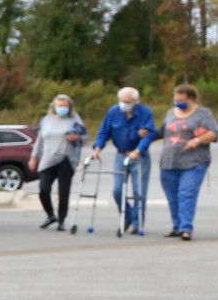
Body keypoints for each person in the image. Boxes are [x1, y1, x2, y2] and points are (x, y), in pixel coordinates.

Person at [88, 87, 157, 233]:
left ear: (135, 102)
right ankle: (128, 216)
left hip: (139, 156)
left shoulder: (145, 112)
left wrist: (138, 150)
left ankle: (138, 223)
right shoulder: (114, 112)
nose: (124, 104)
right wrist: (97, 148)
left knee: (139, 191)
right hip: (121, 155)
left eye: (127, 102)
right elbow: (104, 132)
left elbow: (149, 134)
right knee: (117, 190)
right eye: (122, 101)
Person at [158, 84, 218, 241]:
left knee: (186, 193)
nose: (178, 102)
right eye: (175, 99)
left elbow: (216, 132)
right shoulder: (171, 113)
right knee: (172, 196)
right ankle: (177, 226)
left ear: (191, 98)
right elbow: (163, 131)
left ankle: (186, 228)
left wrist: (198, 140)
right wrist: (146, 133)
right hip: (169, 161)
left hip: (194, 161)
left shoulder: (203, 114)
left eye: (181, 99)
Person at [27, 94, 85, 231]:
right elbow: (40, 140)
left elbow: (84, 136)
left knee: (63, 192)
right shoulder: (47, 120)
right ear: (54, 106)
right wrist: (34, 157)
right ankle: (50, 215)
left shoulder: (74, 119)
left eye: (65, 106)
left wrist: (76, 137)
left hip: (66, 158)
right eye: (60, 105)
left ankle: (62, 219)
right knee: (43, 189)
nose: (62, 108)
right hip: (48, 158)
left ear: (69, 106)